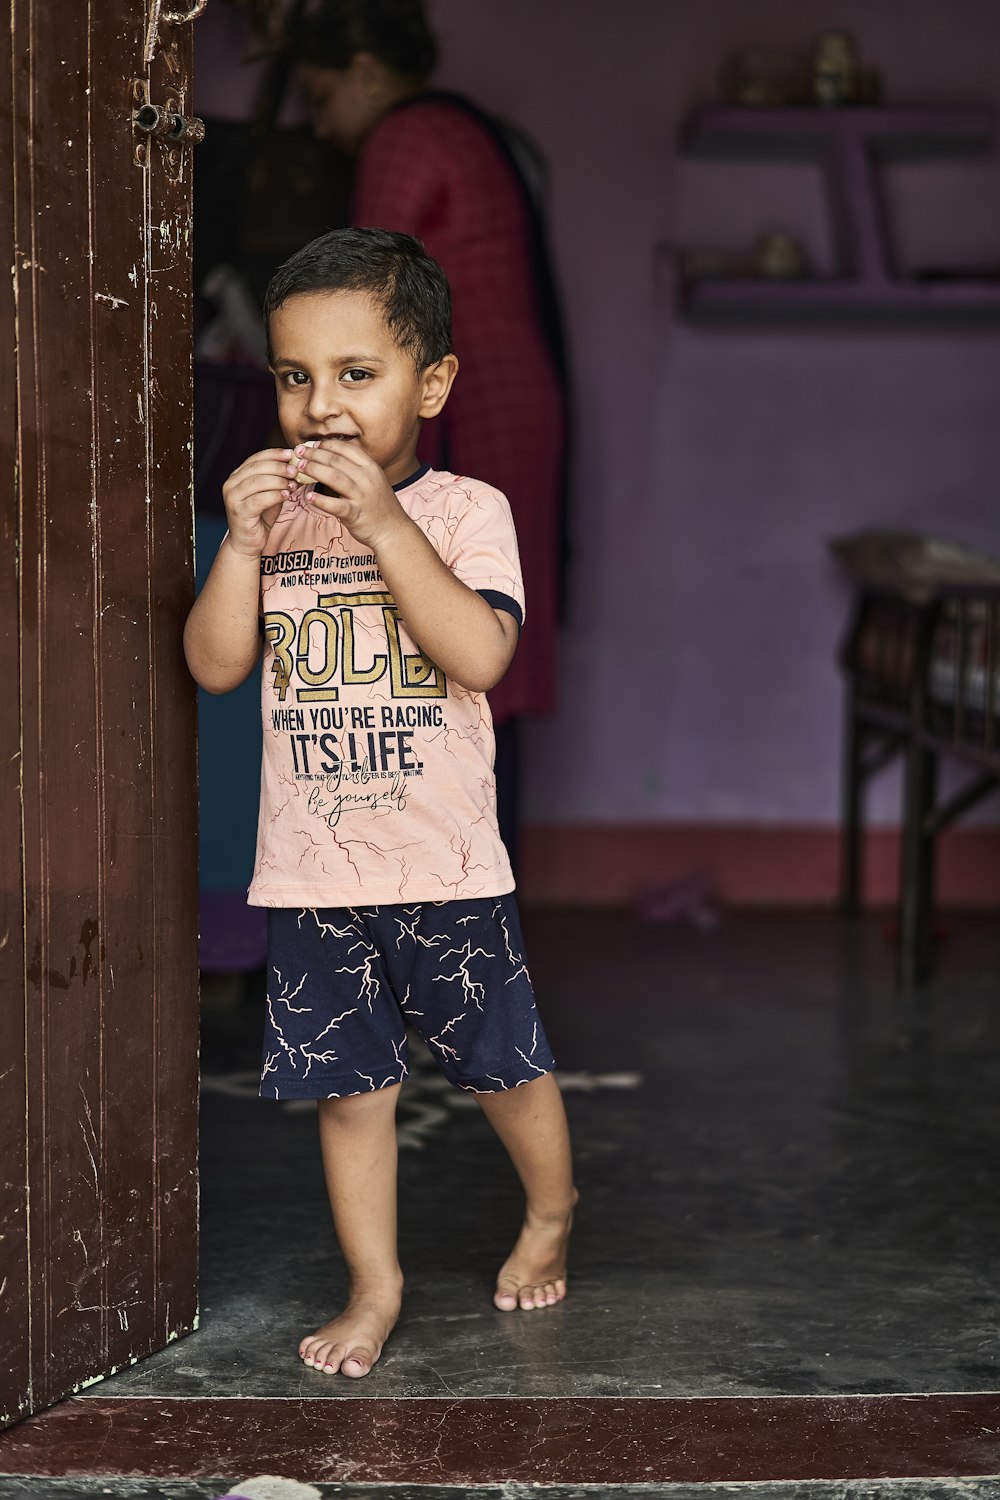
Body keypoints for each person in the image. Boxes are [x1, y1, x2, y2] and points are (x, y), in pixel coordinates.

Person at [184, 228, 577, 1380]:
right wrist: (243, 543)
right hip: (314, 873)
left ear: (433, 383)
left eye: (358, 375)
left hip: (445, 868)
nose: (322, 408)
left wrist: (386, 525)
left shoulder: (464, 511)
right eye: (297, 378)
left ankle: (549, 1211)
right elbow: (213, 664)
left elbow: (482, 654)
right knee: (349, 1094)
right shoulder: (276, 523)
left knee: (503, 1066)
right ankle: (375, 1283)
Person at [289, 0, 570, 863]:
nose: (324, 127)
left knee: (454, 630)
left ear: (369, 72)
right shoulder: (461, 129)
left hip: (471, 405)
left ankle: (453, 874)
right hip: (505, 395)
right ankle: (473, 871)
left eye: (324, 98)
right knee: (481, 622)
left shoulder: (407, 137)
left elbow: (362, 306)